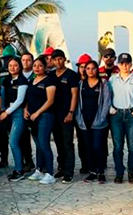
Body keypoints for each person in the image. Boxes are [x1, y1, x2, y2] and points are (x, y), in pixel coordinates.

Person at [107, 53, 133, 184]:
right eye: (122, 63)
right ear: (118, 65)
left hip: (132, 115)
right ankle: (119, 173)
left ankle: (131, 173)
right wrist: (110, 108)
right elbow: (108, 95)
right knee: (118, 147)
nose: (124, 65)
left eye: (127, 63)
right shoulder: (112, 79)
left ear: (131, 64)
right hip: (117, 115)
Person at [75, 59, 113, 183]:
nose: (90, 71)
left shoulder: (103, 83)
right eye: (88, 68)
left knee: (98, 146)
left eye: (93, 68)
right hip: (84, 120)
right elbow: (77, 102)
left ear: (97, 69)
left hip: (99, 121)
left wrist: (102, 118)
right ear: (85, 70)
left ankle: (101, 172)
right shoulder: (81, 84)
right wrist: (78, 117)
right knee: (88, 147)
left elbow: (107, 101)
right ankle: (92, 172)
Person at [25, 56, 57, 184]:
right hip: (32, 117)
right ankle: (39, 170)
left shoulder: (49, 81)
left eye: (40, 65)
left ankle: (50, 173)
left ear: (45, 67)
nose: (37, 68)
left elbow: (50, 101)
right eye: (35, 66)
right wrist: (25, 110)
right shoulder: (31, 81)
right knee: (37, 144)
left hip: (45, 116)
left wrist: (38, 112)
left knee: (44, 143)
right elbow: (28, 99)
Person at [49, 50, 79, 183]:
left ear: (64, 59)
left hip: (66, 114)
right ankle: (61, 167)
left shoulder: (72, 75)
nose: (58, 62)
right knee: (58, 142)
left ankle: (69, 171)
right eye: (55, 60)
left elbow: (74, 95)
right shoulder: (50, 75)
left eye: (60, 59)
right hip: (53, 114)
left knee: (67, 143)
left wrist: (71, 112)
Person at [1, 57, 29, 182]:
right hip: (8, 112)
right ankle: (18, 167)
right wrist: (3, 110)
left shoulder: (23, 81)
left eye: (15, 65)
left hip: (17, 112)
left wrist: (6, 112)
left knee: (13, 142)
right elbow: (2, 96)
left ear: (20, 66)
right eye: (10, 65)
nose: (13, 67)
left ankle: (20, 170)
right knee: (12, 141)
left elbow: (20, 100)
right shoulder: (6, 80)